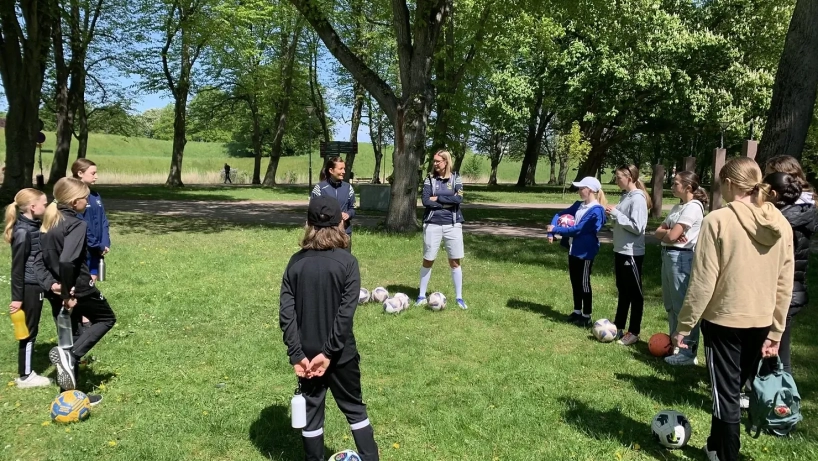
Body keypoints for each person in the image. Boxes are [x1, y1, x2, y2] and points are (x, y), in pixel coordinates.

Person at [672, 157, 793, 461]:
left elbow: (702, 282)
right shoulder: (781, 223)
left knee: (725, 396)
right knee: (729, 392)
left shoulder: (717, 220)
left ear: (728, 183)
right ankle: (715, 446)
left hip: (724, 322)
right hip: (762, 321)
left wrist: (684, 325)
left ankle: (728, 455)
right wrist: (776, 330)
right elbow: (785, 283)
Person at [279, 196, 379, 461]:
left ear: (308, 224)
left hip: (307, 357)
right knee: (355, 409)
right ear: (340, 224)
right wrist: (330, 352)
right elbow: (345, 315)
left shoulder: (295, 263)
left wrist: (297, 354)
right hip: (341, 355)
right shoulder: (348, 263)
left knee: (311, 414)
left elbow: (286, 314)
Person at [41, 177, 116, 405]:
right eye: (85, 199)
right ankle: (70, 356)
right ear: (74, 202)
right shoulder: (76, 224)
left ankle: (70, 396)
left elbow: (39, 260)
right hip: (77, 288)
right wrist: (68, 293)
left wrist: (53, 286)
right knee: (106, 318)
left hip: (54, 287)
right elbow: (67, 261)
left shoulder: (50, 220)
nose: (87, 202)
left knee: (71, 334)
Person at [761, 172, 816, 375]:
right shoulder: (802, 215)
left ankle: (772, 397)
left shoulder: (781, 222)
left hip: (783, 292)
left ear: (774, 194)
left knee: (770, 351)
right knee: (779, 351)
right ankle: (779, 396)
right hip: (795, 290)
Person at [5, 188, 57, 388]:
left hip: (40, 282)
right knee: (29, 330)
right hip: (30, 287)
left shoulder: (34, 226)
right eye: (44, 203)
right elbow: (17, 269)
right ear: (33, 207)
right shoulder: (23, 232)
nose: (47, 206)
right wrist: (17, 298)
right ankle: (25, 376)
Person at [655, 172, 707, 366]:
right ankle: (675, 345)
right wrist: (669, 232)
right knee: (670, 305)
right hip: (667, 256)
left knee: (681, 306)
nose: (672, 185)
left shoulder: (693, 207)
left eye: (676, 183)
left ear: (688, 187)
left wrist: (669, 233)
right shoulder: (678, 207)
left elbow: (670, 236)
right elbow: (659, 232)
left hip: (681, 258)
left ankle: (687, 352)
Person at [546, 177, 607, 326]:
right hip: (573, 249)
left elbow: (578, 230)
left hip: (586, 252)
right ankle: (577, 311)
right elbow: (558, 215)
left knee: (584, 283)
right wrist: (550, 232)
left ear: (591, 190)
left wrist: (556, 229)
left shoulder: (597, 210)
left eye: (582, 188)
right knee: (575, 281)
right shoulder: (579, 205)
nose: (579, 191)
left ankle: (586, 316)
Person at [415, 150, 468, 309]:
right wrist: (447, 202)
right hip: (432, 223)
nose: (435, 164)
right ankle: (421, 295)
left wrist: (437, 198)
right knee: (428, 259)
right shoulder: (429, 179)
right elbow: (425, 201)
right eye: (434, 161)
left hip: (453, 224)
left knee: (455, 261)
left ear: (446, 162)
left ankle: (459, 298)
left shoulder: (456, 177)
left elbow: (458, 198)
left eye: (438, 161)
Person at [606, 164, 651, 346]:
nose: (616, 181)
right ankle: (619, 327)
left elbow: (638, 227)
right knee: (623, 291)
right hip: (620, 249)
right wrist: (613, 216)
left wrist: (617, 213)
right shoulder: (626, 196)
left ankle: (634, 331)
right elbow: (623, 222)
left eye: (619, 178)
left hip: (631, 252)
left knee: (635, 294)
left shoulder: (638, 199)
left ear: (630, 178)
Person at [71, 159, 110, 282]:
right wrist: (95, 244)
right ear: (80, 173)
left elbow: (103, 219)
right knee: (81, 282)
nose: (96, 177)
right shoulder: (74, 197)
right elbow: (80, 223)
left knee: (93, 280)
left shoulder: (95, 195)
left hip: (97, 248)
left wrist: (105, 242)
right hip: (83, 248)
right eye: (93, 173)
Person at [311, 157, 356, 252]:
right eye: (340, 169)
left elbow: (352, 209)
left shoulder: (348, 188)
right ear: (331, 170)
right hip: (325, 235)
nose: (344, 171)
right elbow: (313, 212)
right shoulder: (319, 188)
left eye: (344, 168)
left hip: (344, 233)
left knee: (344, 262)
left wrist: (348, 214)